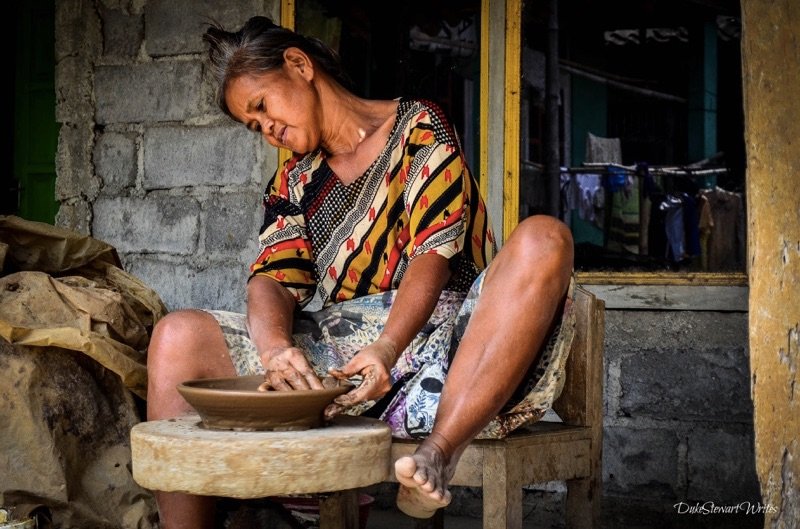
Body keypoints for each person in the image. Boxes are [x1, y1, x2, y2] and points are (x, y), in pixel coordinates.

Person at [145, 15, 574, 529]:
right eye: (254, 126)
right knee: (176, 335)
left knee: (545, 237)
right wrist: (276, 350)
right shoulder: (293, 179)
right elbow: (272, 278)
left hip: (454, 363)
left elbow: (431, 258)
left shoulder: (419, 129)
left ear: (299, 65)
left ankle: (438, 454)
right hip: (342, 373)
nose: (267, 130)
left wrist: (388, 348)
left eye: (262, 107)